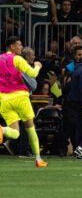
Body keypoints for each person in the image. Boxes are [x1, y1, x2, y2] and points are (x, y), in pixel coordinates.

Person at [0, 36, 45, 167]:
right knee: (30, 128)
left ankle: (1, 129)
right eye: (19, 45)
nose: (21, 47)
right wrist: (37, 66)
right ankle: (38, 159)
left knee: (15, 133)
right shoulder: (17, 59)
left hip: (4, 99)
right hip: (20, 97)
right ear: (12, 46)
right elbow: (32, 74)